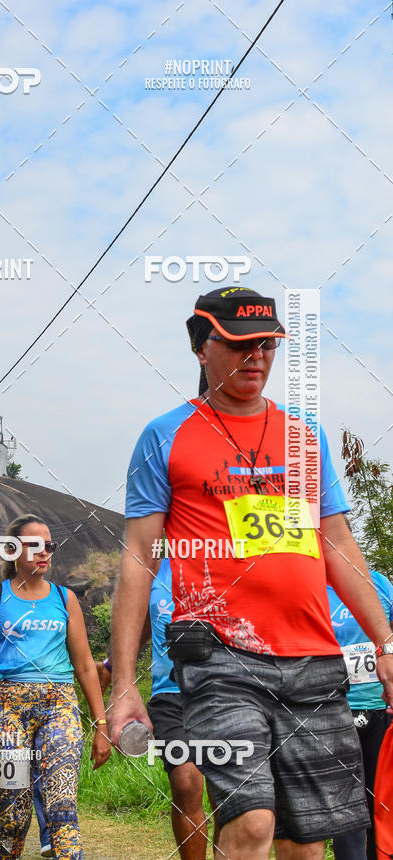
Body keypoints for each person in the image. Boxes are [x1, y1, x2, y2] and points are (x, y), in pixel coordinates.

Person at [108, 287, 393, 860]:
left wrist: (386, 643)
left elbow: (337, 543)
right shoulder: (165, 435)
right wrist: (124, 685)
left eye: (267, 344)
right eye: (240, 344)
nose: (256, 356)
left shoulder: (304, 434)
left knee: (305, 842)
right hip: (221, 659)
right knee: (253, 820)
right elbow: (139, 559)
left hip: (314, 658)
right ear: (201, 348)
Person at [0, 513, 111, 859]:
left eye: (49, 546)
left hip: (59, 706)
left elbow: (85, 666)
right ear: (13, 550)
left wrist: (101, 724)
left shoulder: (64, 598)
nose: (44, 552)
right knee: (12, 817)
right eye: (34, 546)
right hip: (4, 710)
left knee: (62, 804)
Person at [97, 555, 218, 859]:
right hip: (170, 694)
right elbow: (142, 625)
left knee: (226, 792)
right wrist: (113, 666)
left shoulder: (230, 559)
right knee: (185, 781)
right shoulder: (154, 568)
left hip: (223, 692)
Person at [328, 567, 393, 860]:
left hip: (380, 705)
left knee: (382, 799)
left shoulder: (379, 583)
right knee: (347, 804)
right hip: (334, 710)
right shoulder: (314, 586)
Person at [0, 645, 53, 858]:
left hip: (38, 716)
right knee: (3, 784)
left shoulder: (38, 643)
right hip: (1, 718)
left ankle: (48, 836)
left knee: (40, 776)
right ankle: (4, 830)